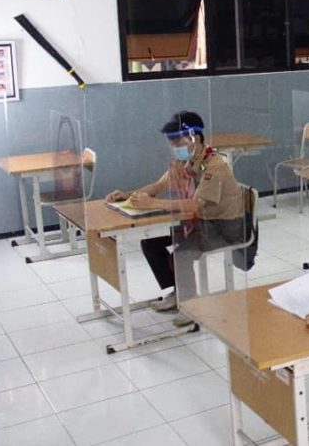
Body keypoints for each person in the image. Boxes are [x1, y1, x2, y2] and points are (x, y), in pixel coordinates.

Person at [105, 111, 245, 327]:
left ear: (194, 138)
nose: (173, 147)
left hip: (225, 226)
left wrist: (153, 204)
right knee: (150, 244)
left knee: (182, 254)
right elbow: (158, 186)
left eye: (176, 141)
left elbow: (194, 205)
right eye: (170, 142)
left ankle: (191, 308)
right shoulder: (184, 163)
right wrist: (131, 194)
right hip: (199, 224)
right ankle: (179, 292)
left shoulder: (216, 165)